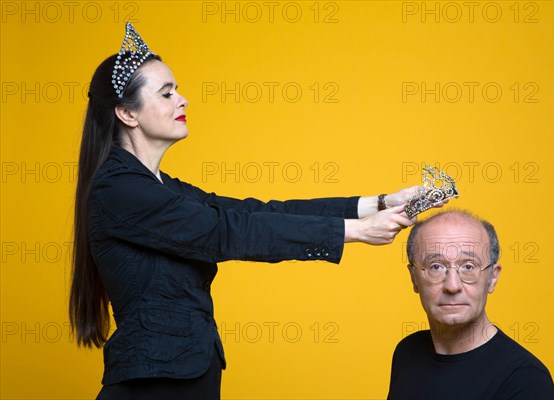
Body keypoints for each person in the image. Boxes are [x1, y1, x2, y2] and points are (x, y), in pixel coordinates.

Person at [69, 22, 430, 399]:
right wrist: (353, 232)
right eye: (166, 93)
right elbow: (227, 232)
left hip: (187, 378)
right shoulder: (119, 189)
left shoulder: (162, 188)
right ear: (128, 114)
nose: (183, 99)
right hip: (155, 384)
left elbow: (255, 212)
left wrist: (378, 203)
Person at [387, 210, 554, 399]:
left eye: (468, 266)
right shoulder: (408, 352)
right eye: (436, 266)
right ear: (414, 278)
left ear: (492, 277)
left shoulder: (524, 379)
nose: (452, 286)